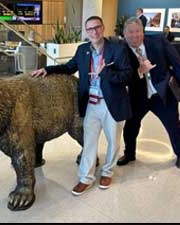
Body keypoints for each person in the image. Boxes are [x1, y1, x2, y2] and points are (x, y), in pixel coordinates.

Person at [30, 16, 132, 195]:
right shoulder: (83, 49)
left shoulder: (117, 49)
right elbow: (69, 67)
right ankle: (86, 178)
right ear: (86, 32)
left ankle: (107, 172)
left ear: (103, 27)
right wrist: (48, 69)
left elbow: (127, 75)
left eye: (97, 27)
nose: (94, 32)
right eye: (90, 29)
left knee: (113, 143)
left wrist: (106, 72)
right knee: (89, 142)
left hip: (112, 104)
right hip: (91, 104)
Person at [117, 17, 180, 169]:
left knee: (173, 125)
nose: (134, 35)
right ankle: (129, 154)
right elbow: (122, 75)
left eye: (138, 32)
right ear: (124, 34)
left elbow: (175, 60)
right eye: (130, 32)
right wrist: (139, 71)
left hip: (163, 93)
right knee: (130, 127)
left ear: (143, 32)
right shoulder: (121, 51)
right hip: (138, 96)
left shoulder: (158, 41)